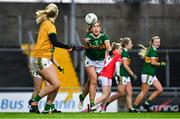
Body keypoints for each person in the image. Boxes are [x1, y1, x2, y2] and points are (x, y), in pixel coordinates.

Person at [29, 3, 83, 113]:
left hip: (42, 58)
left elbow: (52, 43)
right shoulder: (50, 25)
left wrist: (70, 47)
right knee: (55, 84)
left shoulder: (45, 23)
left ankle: (48, 108)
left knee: (56, 85)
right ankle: (34, 102)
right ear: (56, 14)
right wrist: (70, 46)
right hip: (41, 58)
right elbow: (55, 42)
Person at [78, 20, 112, 110]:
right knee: (94, 80)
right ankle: (92, 104)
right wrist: (88, 42)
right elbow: (87, 41)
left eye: (97, 26)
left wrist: (111, 53)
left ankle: (82, 97)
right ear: (91, 29)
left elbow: (108, 47)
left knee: (90, 82)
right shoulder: (89, 36)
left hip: (100, 62)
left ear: (100, 28)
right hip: (90, 60)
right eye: (94, 27)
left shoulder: (104, 36)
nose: (96, 28)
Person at [82, 42, 122, 112]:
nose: (122, 50)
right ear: (116, 49)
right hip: (106, 75)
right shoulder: (117, 55)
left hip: (101, 74)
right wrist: (118, 76)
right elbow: (117, 66)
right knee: (105, 95)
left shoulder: (109, 53)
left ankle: (102, 109)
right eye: (121, 49)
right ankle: (91, 105)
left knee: (108, 93)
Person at [131, 36, 166, 112]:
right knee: (143, 92)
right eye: (156, 42)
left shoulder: (152, 49)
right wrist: (161, 64)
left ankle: (147, 103)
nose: (158, 43)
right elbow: (153, 62)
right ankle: (133, 108)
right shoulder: (153, 50)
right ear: (152, 43)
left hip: (151, 74)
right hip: (147, 74)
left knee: (160, 89)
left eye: (159, 42)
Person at [102, 37, 137, 112]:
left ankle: (130, 108)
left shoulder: (125, 52)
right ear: (126, 44)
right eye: (130, 43)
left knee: (129, 91)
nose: (132, 45)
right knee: (121, 93)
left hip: (125, 75)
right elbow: (124, 65)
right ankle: (106, 103)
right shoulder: (123, 52)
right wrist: (132, 74)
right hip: (121, 74)